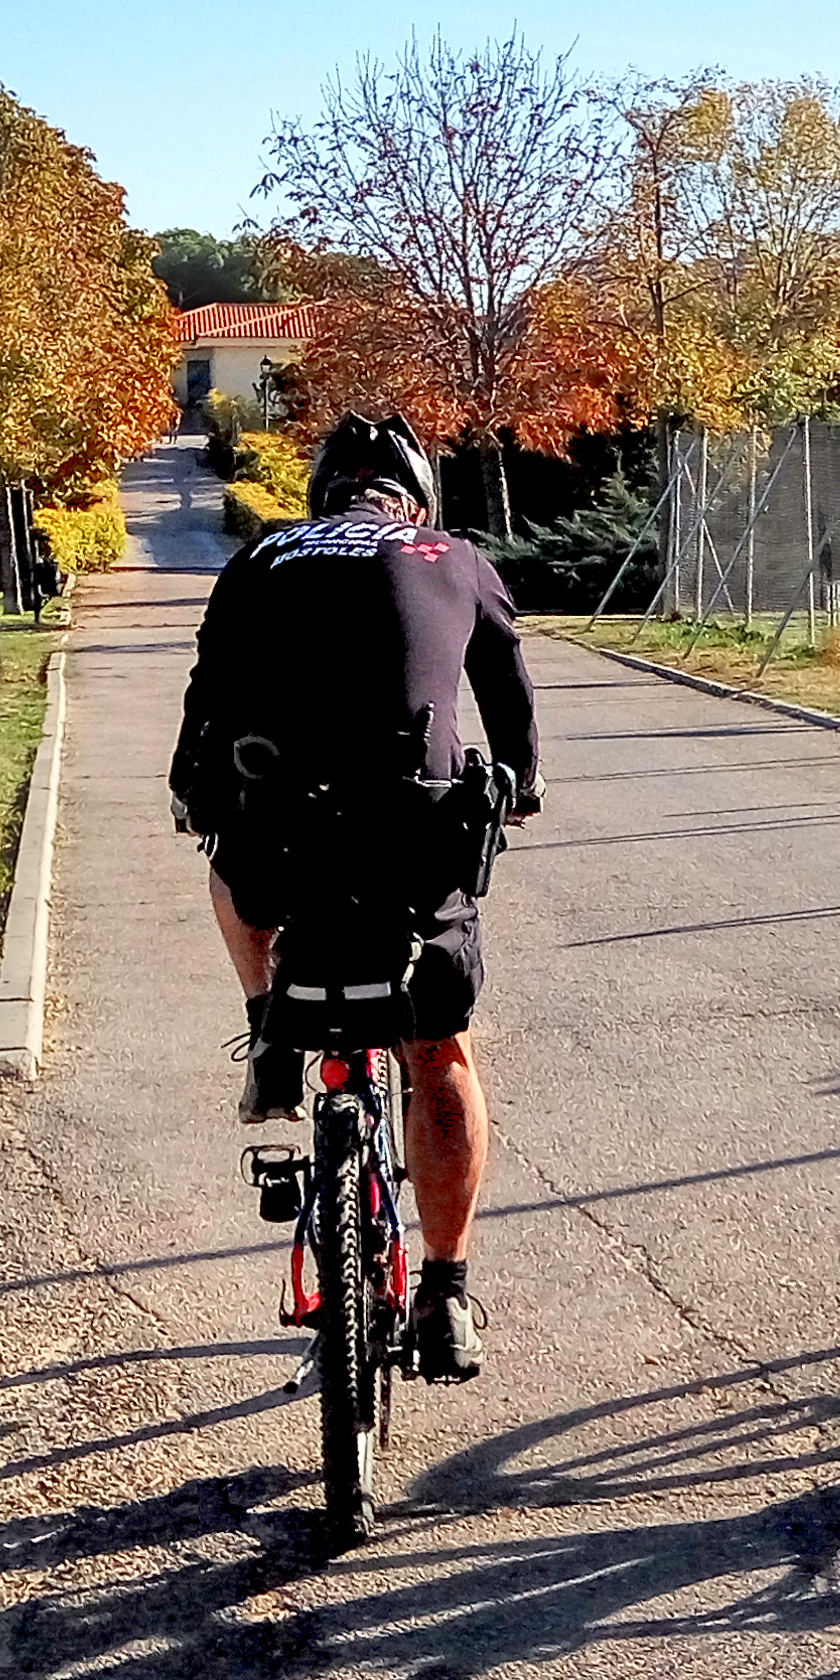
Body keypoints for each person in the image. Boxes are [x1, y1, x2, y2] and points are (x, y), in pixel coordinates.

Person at [169, 415, 542, 1383]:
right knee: (439, 1051)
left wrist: (190, 787)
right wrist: (524, 779)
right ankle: (446, 1289)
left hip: (281, 832)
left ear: (319, 497)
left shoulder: (261, 554)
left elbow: (207, 689)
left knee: (226, 861)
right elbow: (505, 689)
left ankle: (265, 1026)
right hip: (413, 838)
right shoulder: (452, 553)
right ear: (414, 499)